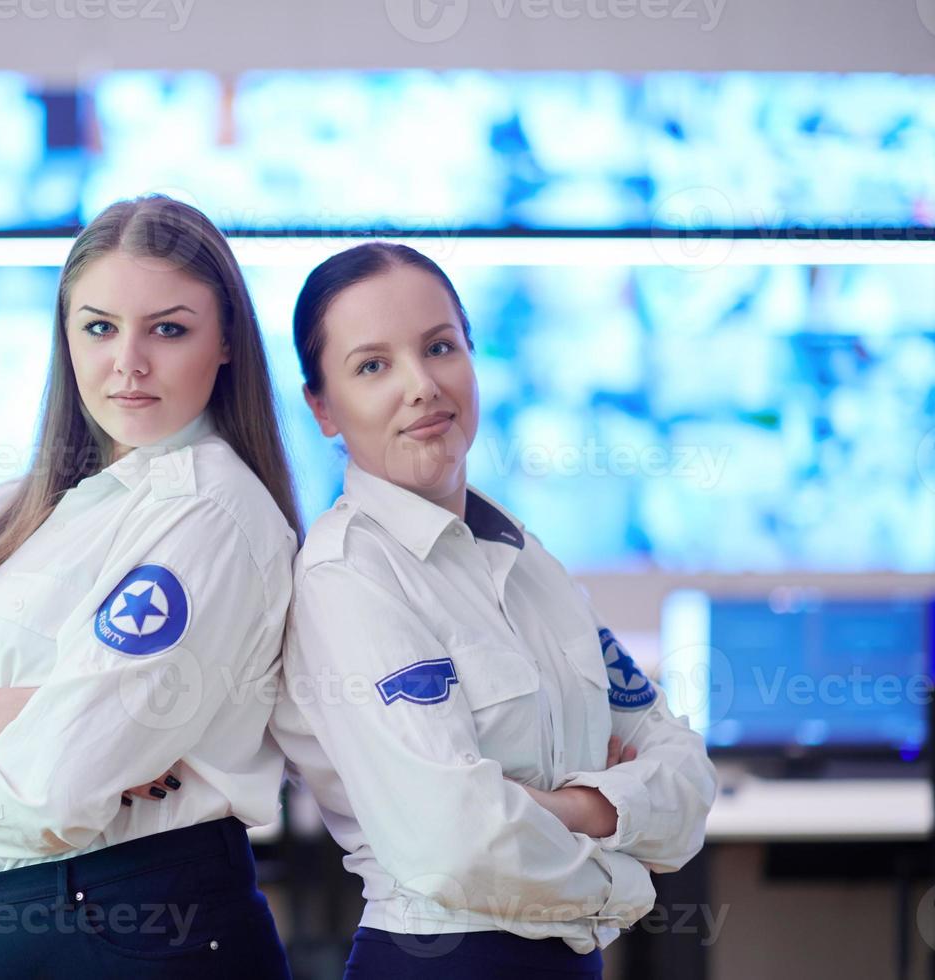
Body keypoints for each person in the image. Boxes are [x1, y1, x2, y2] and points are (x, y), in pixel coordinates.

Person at [0, 195, 301, 979]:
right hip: (14, 923)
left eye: (168, 329)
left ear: (226, 343)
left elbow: (54, 788)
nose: (128, 363)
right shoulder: (16, 509)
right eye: (100, 328)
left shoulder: (209, 516)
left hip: (142, 931)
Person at [271, 242, 717, 979]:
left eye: (440, 347)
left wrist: (562, 806)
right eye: (373, 366)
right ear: (322, 407)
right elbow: (455, 840)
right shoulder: (348, 577)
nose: (422, 386)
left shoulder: (529, 562)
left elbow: (685, 773)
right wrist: (626, 876)